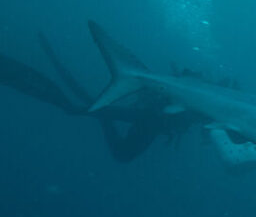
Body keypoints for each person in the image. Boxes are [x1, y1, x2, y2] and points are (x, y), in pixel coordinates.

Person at [0, 33, 198, 162]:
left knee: (89, 111)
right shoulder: (190, 108)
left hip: (152, 117)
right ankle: (95, 108)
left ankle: (95, 107)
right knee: (83, 111)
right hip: (152, 118)